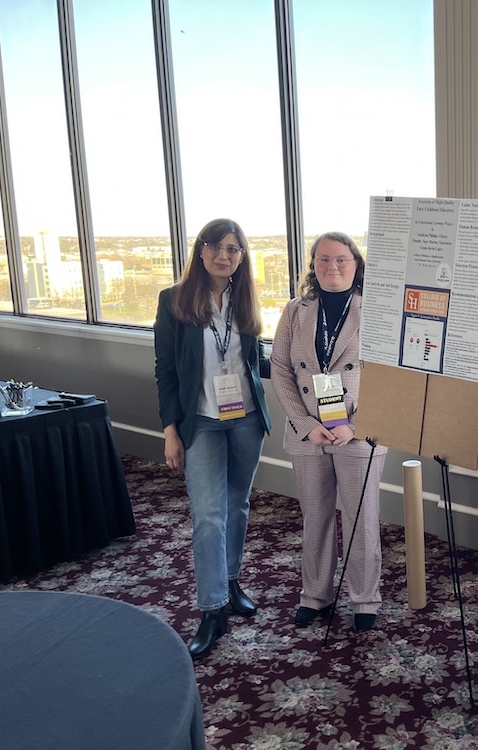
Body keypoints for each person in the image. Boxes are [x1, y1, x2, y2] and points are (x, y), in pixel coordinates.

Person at [153, 218, 272, 659]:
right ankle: (212, 608)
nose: (224, 255)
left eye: (233, 249)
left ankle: (231, 581)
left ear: (242, 257)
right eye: (216, 246)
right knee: (208, 515)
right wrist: (170, 430)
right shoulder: (174, 300)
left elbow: (256, 361)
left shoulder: (246, 300)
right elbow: (165, 370)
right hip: (201, 422)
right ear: (200, 251)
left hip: (246, 420)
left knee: (237, 505)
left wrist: (309, 366)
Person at [271, 231, 387, 631]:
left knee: (361, 519)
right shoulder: (295, 310)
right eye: (323, 259)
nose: (331, 266)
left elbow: (390, 377)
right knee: (315, 517)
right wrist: (306, 425)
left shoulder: (375, 310)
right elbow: (280, 370)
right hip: (309, 433)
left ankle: (364, 599)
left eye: (341, 259)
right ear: (313, 265)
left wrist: (356, 426)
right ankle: (315, 595)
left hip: (358, 432)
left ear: (356, 265)